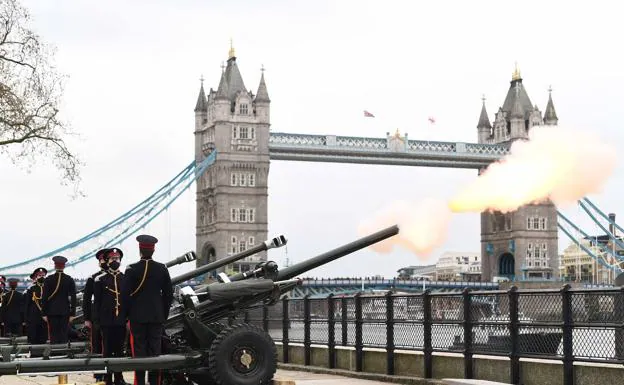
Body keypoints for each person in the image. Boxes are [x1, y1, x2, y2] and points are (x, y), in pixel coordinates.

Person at [122, 235, 173, 385]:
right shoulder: (161, 268)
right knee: (155, 353)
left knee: (139, 353)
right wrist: (163, 315)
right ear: (153, 250)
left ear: (140, 249)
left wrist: (127, 316)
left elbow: (125, 296)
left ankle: (140, 382)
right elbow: (168, 295)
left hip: (137, 317)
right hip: (156, 317)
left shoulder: (131, 269)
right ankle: (154, 382)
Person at [95, 248, 128, 385]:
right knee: (107, 351)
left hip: (121, 320)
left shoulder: (125, 278)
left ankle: (119, 378)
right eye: (112, 259)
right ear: (107, 261)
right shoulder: (100, 280)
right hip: (107, 321)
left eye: (117, 259)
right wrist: (97, 321)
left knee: (120, 351)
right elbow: (97, 302)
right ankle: (108, 378)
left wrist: (128, 317)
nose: (115, 261)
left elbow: (127, 300)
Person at [83, 248, 109, 384]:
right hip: (96, 317)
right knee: (97, 346)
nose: (104, 262)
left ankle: (113, 374)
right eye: (102, 260)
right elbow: (87, 300)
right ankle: (99, 374)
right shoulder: (93, 278)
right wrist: (87, 318)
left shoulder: (118, 276)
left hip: (113, 317)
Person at [41, 256, 77, 344]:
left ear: (54, 266)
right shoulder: (69, 279)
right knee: (63, 334)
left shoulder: (48, 279)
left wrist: (44, 313)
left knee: (53, 334)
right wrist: (73, 313)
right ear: (64, 266)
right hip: (65, 311)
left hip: (51, 312)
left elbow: (44, 297)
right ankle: (63, 352)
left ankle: (55, 354)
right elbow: (73, 297)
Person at [23, 267, 48, 345]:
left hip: (44, 318)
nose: (42, 277)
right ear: (36, 277)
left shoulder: (48, 289)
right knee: (33, 339)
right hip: (33, 318)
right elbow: (26, 305)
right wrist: (26, 319)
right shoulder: (31, 289)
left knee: (43, 339)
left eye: (43, 275)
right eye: (39, 275)